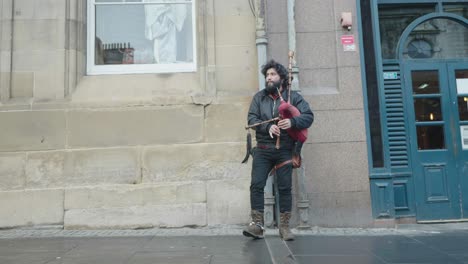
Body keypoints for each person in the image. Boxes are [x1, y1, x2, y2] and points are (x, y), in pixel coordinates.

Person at [243, 59, 314, 241]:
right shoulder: (259, 97)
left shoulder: (294, 97)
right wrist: (267, 128)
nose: (269, 78)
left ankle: (284, 227)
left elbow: (308, 117)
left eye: (272, 74)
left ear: (281, 77)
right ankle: (257, 225)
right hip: (263, 148)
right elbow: (252, 119)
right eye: (267, 75)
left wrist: (292, 122)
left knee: (284, 188)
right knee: (256, 185)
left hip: (285, 149)